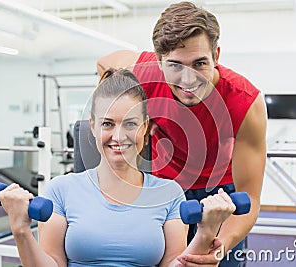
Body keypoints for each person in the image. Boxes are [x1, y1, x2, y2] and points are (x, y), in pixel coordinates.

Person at [0, 68, 237, 267]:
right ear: (93, 127)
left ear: (145, 127)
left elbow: (175, 264)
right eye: (108, 124)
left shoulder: (169, 194)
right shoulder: (61, 190)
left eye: (130, 123)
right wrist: (21, 231)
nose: (118, 136)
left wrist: (207, 232)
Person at [97, 2, 267, 266]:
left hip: (220, 194)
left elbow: (251, 197)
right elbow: (104, 64)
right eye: (175, 65)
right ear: (159, 60)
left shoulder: (245, 102)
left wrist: (221, 249)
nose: (188, 80)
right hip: (164, 188)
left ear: (217, 55)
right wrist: (137, 112)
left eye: (199, 63)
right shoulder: (144, 72)